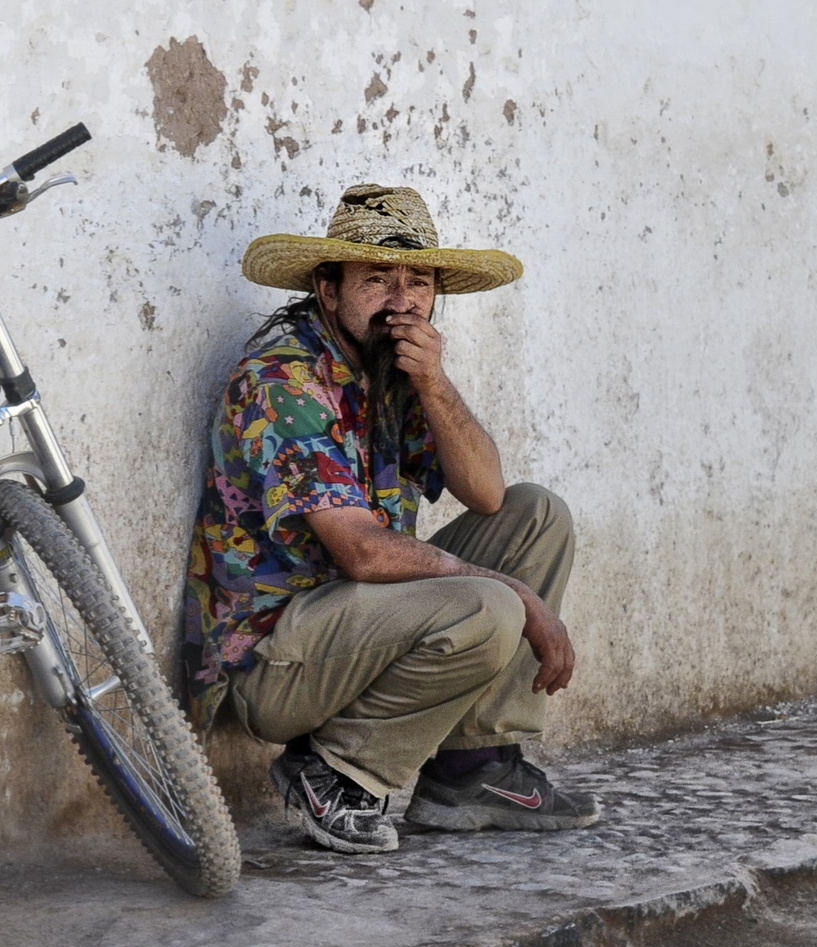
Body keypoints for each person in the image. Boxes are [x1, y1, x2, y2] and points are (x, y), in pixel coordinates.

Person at [184, 184, 600, 854]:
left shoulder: (389, 368)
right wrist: (516, 596)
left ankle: (472, 770)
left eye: (417, 282)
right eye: (376, 279)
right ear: (328, 289)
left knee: (535, 513)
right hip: (274, 661)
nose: (400, 301)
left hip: (354, 624)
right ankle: (338, 773)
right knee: (487, 605)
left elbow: (487, 495)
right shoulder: (283, 382)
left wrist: (434, 384)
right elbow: (363, 554)